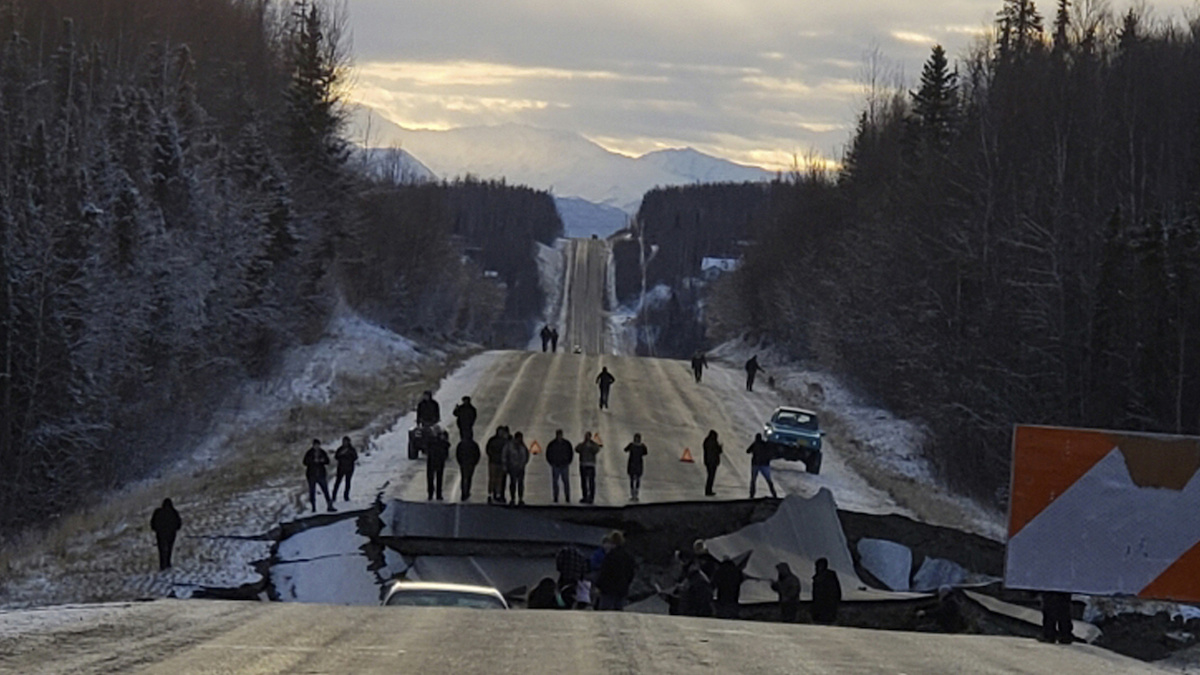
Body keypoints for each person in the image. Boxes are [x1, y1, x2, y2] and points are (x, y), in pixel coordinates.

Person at [596, 530, 636, 611]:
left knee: (605, 613)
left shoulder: (610, 556)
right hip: (622, 590)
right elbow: (631, 574)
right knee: (618, 613)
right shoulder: (628, 557)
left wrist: (599, 586)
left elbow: (604, 573)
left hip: (608, 590)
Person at [303, 439, 335, 513]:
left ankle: (329, 506)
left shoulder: (322, 452)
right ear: (313, 445)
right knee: (312, 491)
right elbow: (304, 462)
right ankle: (313, 507)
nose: (317, 446)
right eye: (315, 445)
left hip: (321, 474)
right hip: (311, 475)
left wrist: (322, 460)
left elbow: (328, 461)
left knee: (325, 491)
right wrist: (313, 461)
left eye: (318, 445)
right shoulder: (309, 453)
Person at [150, 498, 182, 571]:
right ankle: (168, 562)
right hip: (171, 533)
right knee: (170, 548)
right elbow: (179, 524)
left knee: (161, 549)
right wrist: (174, 529)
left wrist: (157, 530)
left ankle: (162, 564)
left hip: (160, 534)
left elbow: (153, 523)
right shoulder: (174, 512)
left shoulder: (158, 512)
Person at [811, 557, 842, 625]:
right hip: (819, 605)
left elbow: (835, 590)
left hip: (828, 604)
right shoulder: (817, 578)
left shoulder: (830, 576)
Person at [546, 429, 574, 503]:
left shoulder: (566, 444)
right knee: (556, 482)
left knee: (565, 482)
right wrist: (551, 462)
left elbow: (570, 453)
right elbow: (548, 454)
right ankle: (556, 497)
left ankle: (567, 497)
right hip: (556, 465)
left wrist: (568, 462)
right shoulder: (553, 444)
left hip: (564, 465)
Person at [747, 433, 778, 499]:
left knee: (753, 480)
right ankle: (774, 494)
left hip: (756, 464)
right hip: (765, 464)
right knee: (769, 480)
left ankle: (751, 495)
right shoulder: (764, 444)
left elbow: (748, 451)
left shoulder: (755, 444)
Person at [504, 430, 530, 506]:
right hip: (513, 467)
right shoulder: (509, 446)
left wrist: (524, 463)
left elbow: (526, 456)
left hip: (521, 467)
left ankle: (520, 498)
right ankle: (513, 498)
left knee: (520, 483)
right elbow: (505, 455)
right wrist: (506, 465)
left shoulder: (523, 446)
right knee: (513, 483)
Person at [486, 426, 509, 504]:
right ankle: (496, 494)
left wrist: (491, 456)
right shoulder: (505, 441)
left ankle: (491, 494)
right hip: (499, 462)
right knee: (498, 479)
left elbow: (488, 450)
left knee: (493, 478)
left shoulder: (492, 440)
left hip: (493, 461)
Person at [576, 431, 601, 504]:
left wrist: (590, 446)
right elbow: (577, 449)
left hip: (591, 465)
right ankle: (585, 496)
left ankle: (591, 497)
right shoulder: (582, 444)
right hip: (583, 464)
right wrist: (584, 445)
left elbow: (596, 450)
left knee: (591, 482)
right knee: (583, 481)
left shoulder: (593, 444)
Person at [426, 427, 450, 501]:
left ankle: (431, 494)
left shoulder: (431, 441)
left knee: (430, 478)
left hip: (432, 460)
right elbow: (447, 445)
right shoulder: (442, 441)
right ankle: (438, 494)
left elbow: (426, 448)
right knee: (439, 478)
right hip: (439, 461)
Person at [455, 433, 481, 501]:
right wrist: (475, 462)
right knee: (469, 478)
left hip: (464, 463)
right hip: (471, 463)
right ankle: (467, 491)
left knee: (464, 477)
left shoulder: (461, 444)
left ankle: (463, 492)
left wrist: (460, 462)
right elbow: (477, 454)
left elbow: (458, 453)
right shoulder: (474, 445)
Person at [332, 436, 358, 502]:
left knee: (348, 483)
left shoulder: (352, 449)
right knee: (337, 482)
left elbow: (355, 457)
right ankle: (333, 496)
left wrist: (349, 454)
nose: (345, 443)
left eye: (346, 442)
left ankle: (346, 496)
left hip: (349, 468)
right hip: (341, 468)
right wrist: (341, 454)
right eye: (344, 442)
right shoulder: (340, 449)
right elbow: (336, 457)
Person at [624, 433, 648, 502]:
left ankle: (635, 494)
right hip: (635, 464)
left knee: (636, 479)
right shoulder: (640, 446)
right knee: (633, 479)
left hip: (635, 464)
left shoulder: (633, 445)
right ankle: (633, 494)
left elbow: (625, 450)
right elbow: (645, 453)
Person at [702, 430, 722, 496]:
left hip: (708, 461)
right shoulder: (713, 442)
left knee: (710, 476)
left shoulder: (706, 441)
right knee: (711, 476)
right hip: (712, 461)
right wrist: (720, 447)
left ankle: (708, 490)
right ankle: (708, 490)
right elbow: (717, 451)